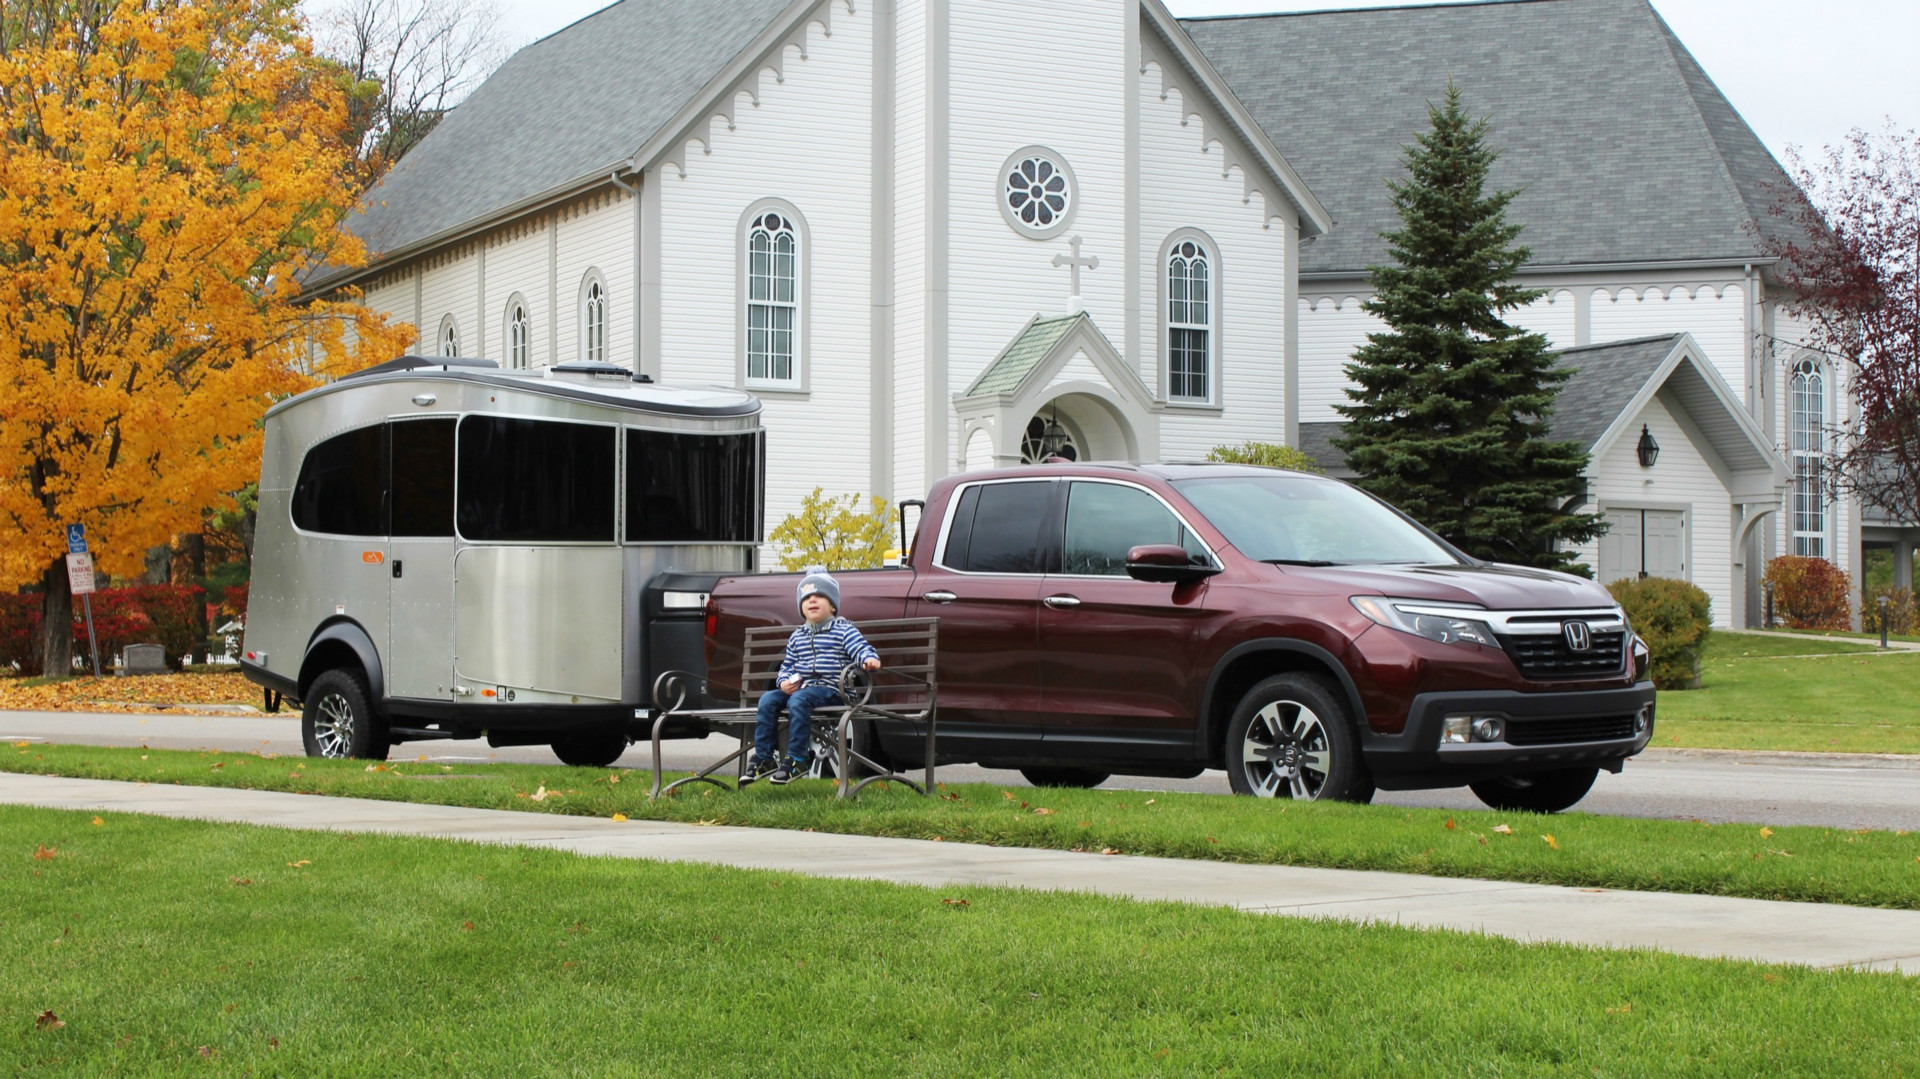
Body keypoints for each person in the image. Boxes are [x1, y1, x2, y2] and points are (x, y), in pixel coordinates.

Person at [742, 567, 881, 785]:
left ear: (833, 605)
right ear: (801, 608)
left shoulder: (843, 630)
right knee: (768, 700)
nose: (812, 601)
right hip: (804, 692)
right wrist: (784, 682)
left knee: (799, 699)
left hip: (834, 691)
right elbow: (787, 665)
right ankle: (765, 757)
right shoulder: (797, 636)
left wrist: (868, 659)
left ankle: (798, 760)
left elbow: (862, 648)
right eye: (807, 598)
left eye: (820, 597)